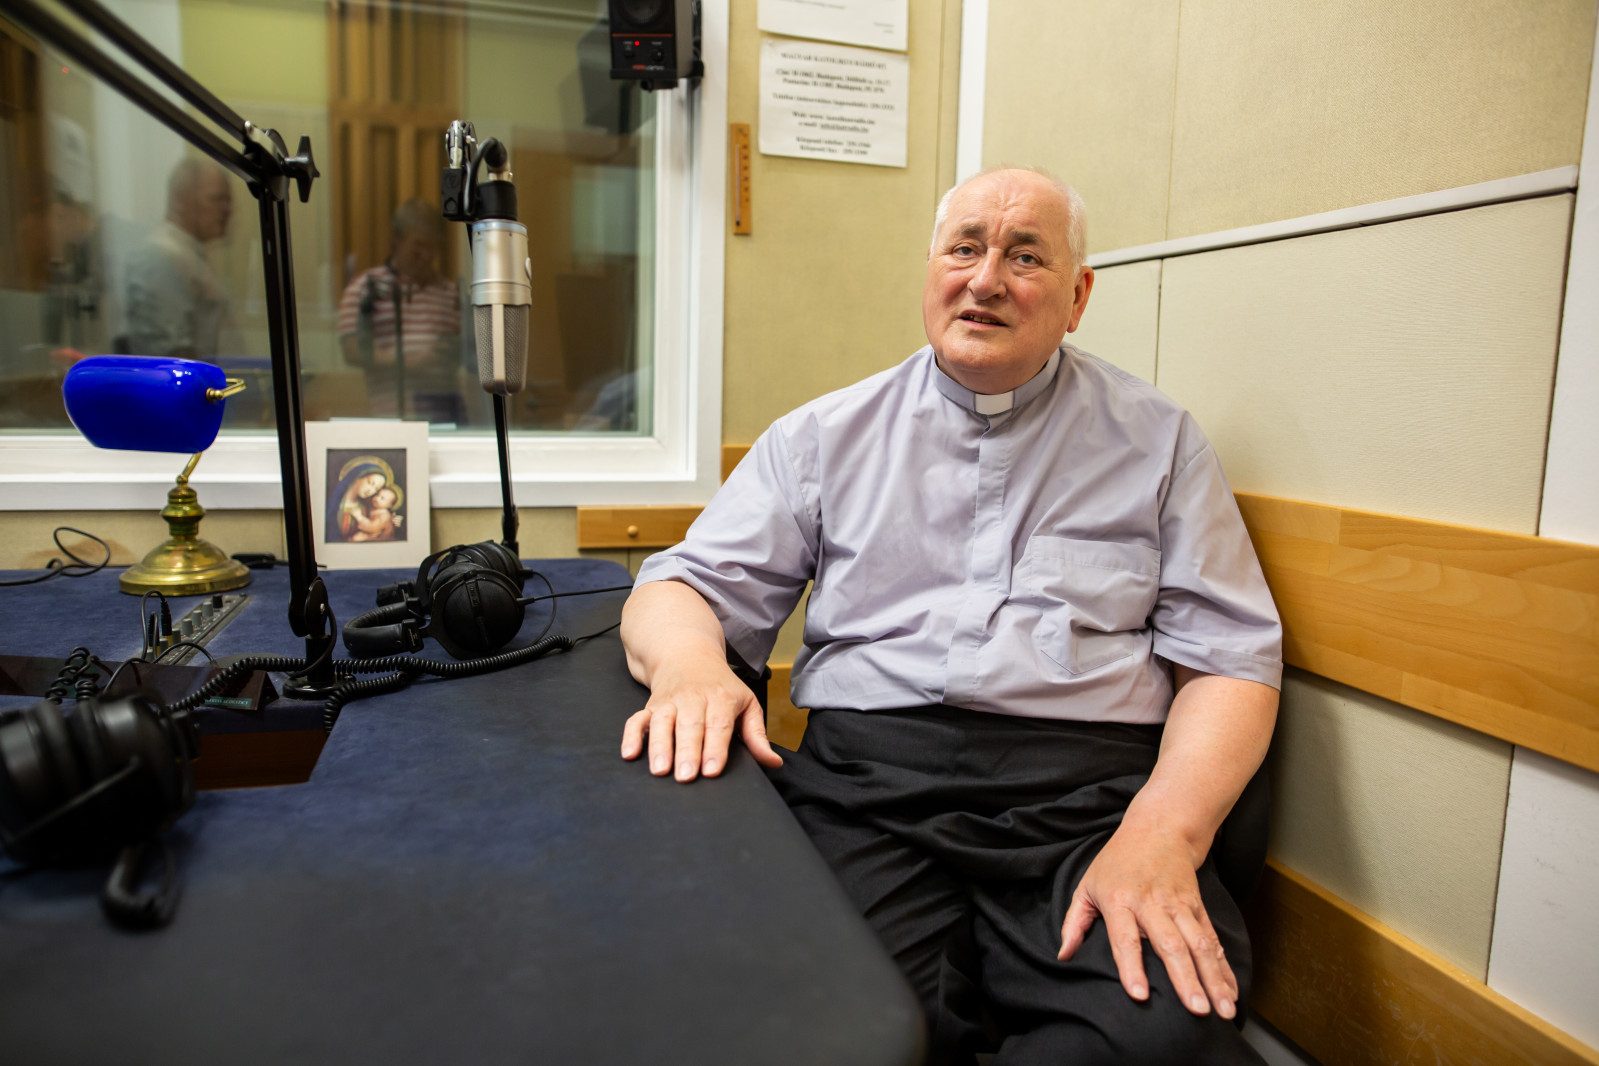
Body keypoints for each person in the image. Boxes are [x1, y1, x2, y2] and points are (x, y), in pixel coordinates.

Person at [618, 168, 1283, 1065]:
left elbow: (1230, 659)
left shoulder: (1159, 442)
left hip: (1087, 804)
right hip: (868, 791)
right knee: (827, 1031)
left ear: (1078, 297)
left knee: (1163, 1035)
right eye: (963, 248)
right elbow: (682, 587)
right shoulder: (822, 437)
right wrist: (692, 667)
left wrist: (1164, 832)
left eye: (1025, 257)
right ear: (930, 269)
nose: (985, 279)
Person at [336, 200, 464, 421]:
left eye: (433, 247)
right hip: (391, 419)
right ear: (397, 238)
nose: (426, 255)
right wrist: (410, 361)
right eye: (419, 245)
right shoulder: (364, 288)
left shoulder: (452, 294)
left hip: (446, 420)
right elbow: (352, 351)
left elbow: (468, 354)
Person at [123, 158, 236, 359]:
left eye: (228, 201)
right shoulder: (160, 256)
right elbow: (171, 353)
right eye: (217, 199)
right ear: (180, 201)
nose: (227, 210)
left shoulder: (187, 255)